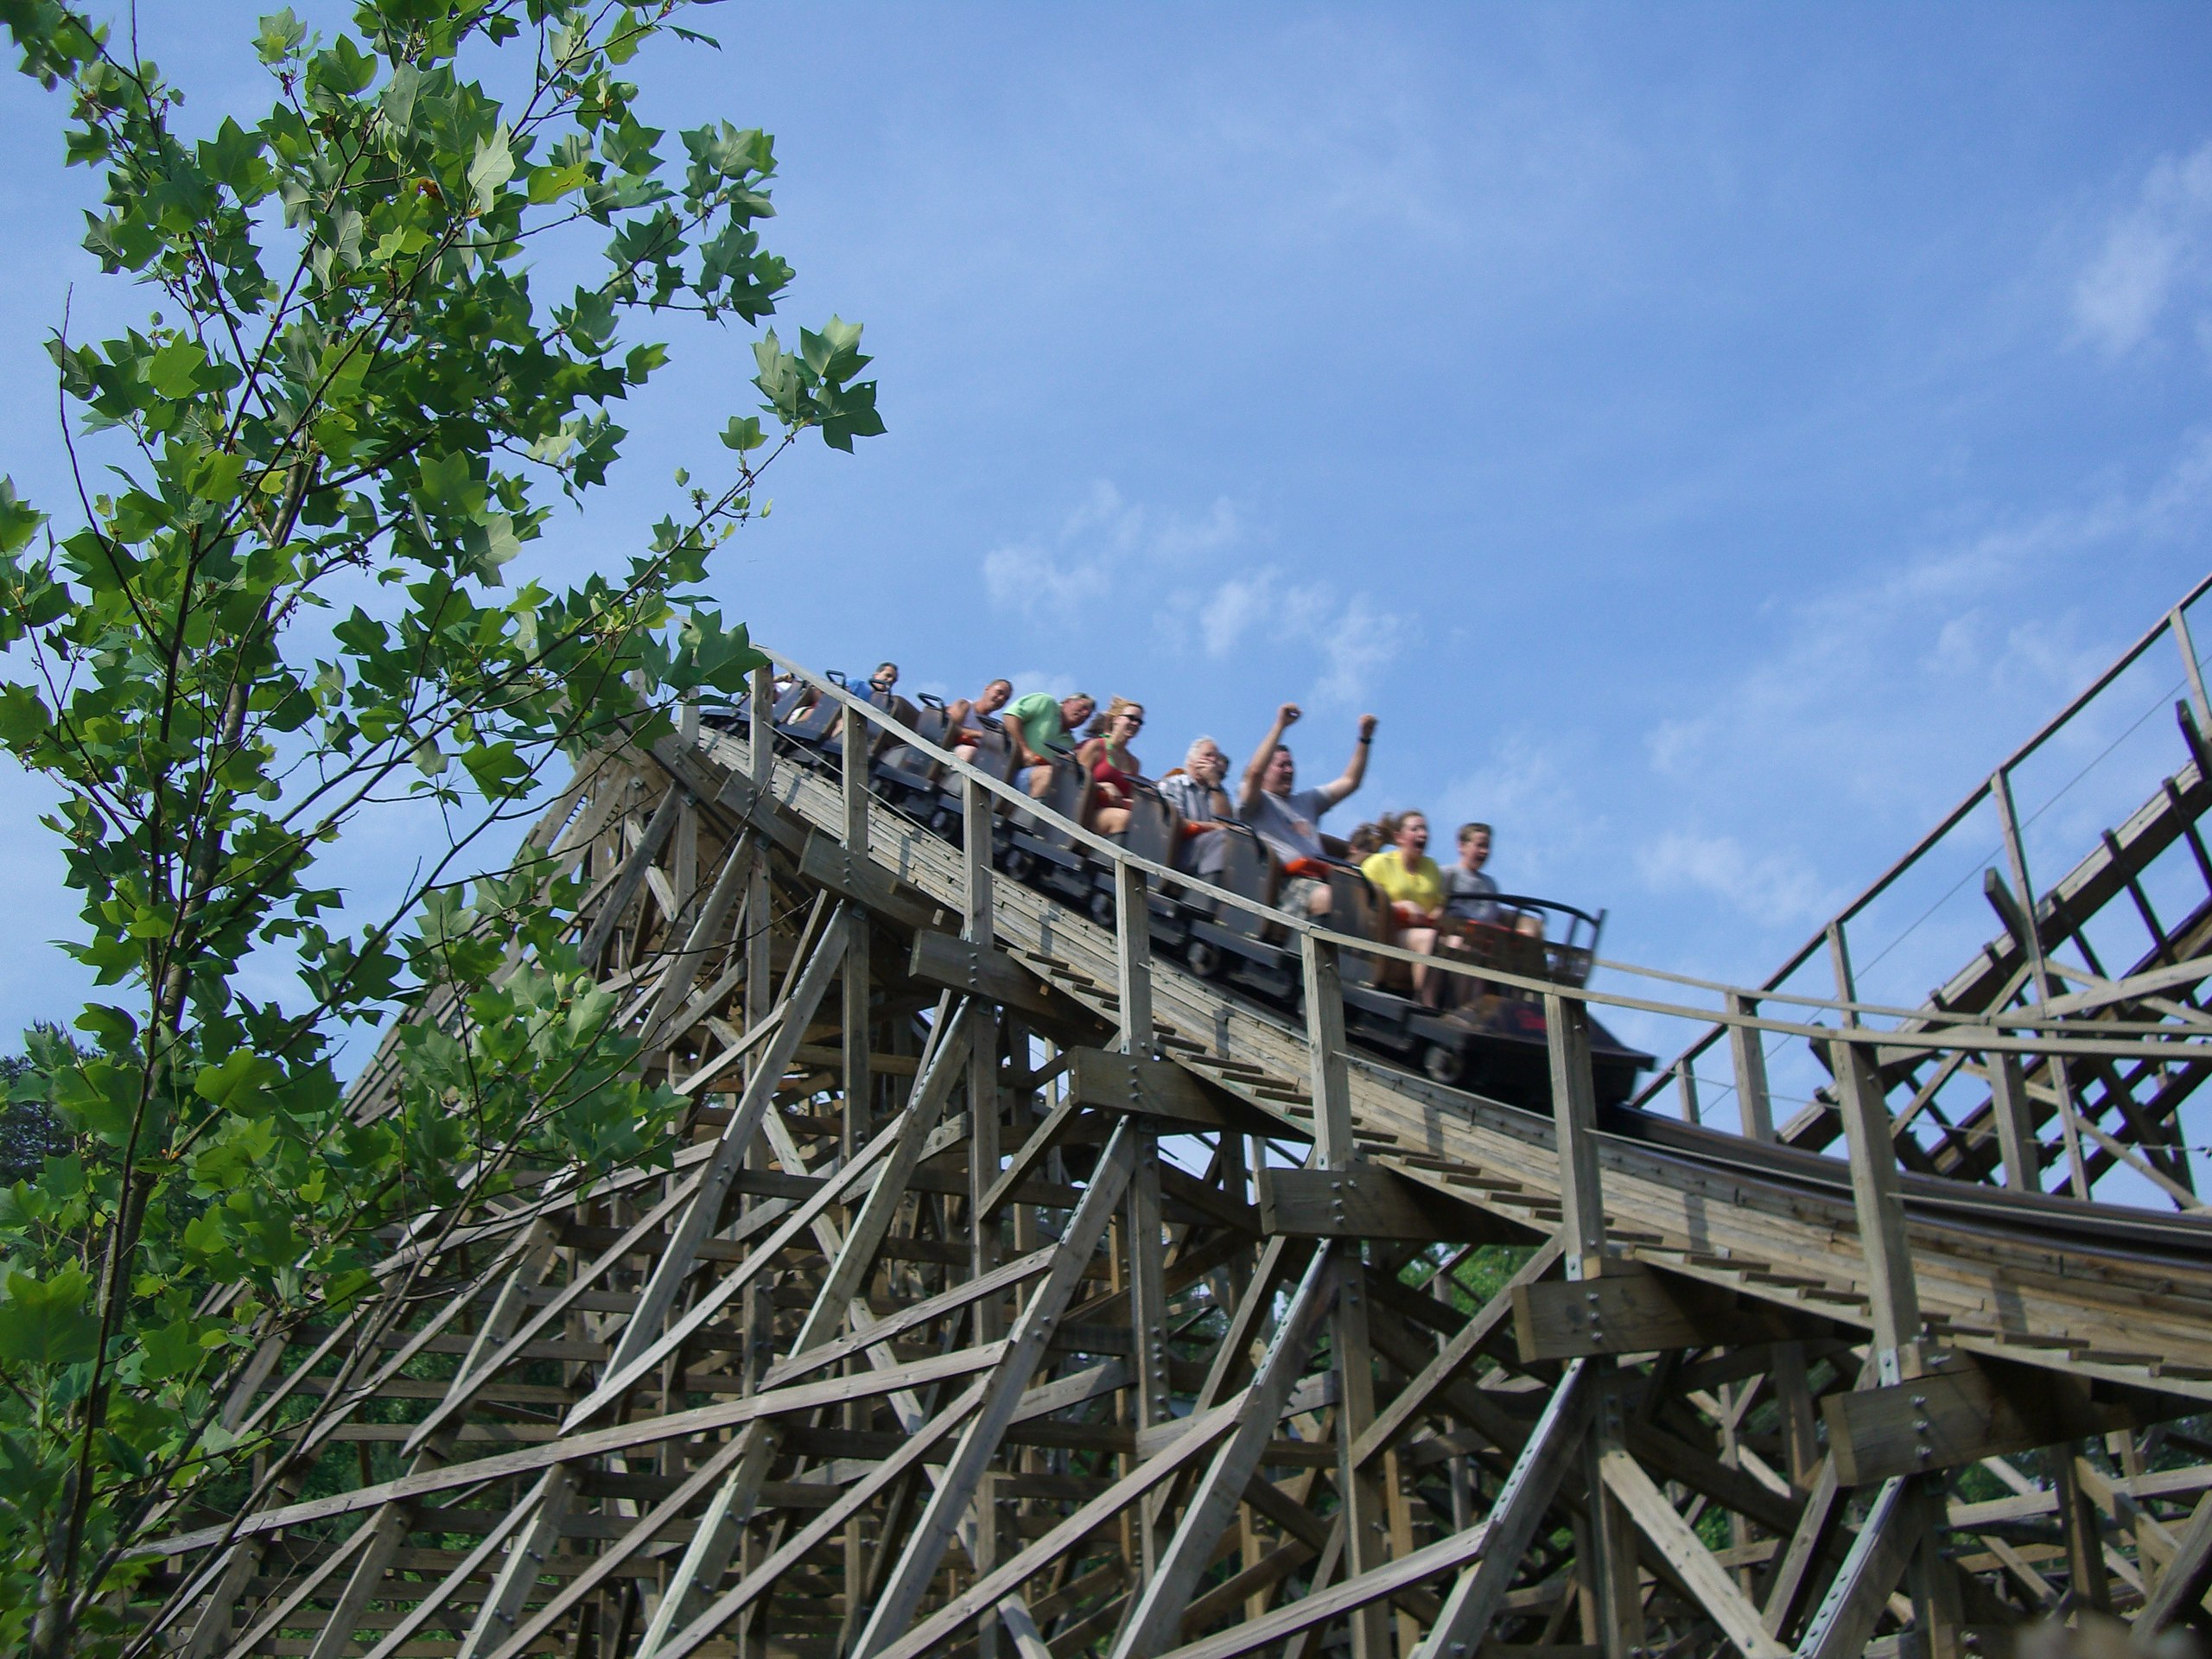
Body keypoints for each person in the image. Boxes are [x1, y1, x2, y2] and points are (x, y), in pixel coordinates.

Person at [1236, 702, 1377, 916]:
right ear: (1267, 771)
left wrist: (1364, 739)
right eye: (1282, 765)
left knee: (1369, 903)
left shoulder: (1307, 802)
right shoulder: (1256, 803)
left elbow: (1350, 781)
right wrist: (1280, 725)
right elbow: (1254, 772)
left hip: (1322, 880)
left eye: (1291, 765)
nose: (1289, 770)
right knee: (1332, 898)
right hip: (1286, 886)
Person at [1362, 810, 1446, 1000]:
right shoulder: (1379, 863)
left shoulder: (1431, 867)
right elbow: (1361, 898)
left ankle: (1460, 1015)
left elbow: (1440, 902)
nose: (1423, 834)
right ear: (1399, 837)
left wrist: (1438, 912)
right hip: (1387, 933)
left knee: (1458, 946)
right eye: (1415, 829)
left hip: (1421, 930)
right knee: (1427, 938)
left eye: (1425, 829)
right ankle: (1426, 1003)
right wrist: (1400, 906)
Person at [1159, 736, 1234, 876]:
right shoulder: (1173, 784)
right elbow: (1173, 822)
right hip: (1177, 851)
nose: (1213, 761)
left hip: (1212, 849)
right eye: (1208, 756)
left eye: (1216, 758)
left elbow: (1228, 825)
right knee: (1223, 838)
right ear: (1192, 760)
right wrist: (1211, 827)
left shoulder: (1218, 793)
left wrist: (1214, 784)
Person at [1003, 690, 1096, 798]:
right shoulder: (1046, 702)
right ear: (1068, 701)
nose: (1085, 714)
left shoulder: (1070, 743)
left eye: (1087, 716)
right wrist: (1025, 751)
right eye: (1083, 707)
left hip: (1035, 780)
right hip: (1006, 767)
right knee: (1048, 775)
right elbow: (1010, 715)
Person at [1077, 697, 1146, 835]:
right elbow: (1075, 780)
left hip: (1113, 813)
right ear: (1116, 719)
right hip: (1086, 813)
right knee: (1125, 818)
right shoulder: (1096, 746)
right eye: (1131, 718)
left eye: (1139, 721)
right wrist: (1103, 786)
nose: (1135, 723)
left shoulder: (1134, 763)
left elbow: (1129, 797)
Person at [1444, 822, 1502, 926]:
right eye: (1480, 845)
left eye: (1487, 847)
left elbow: (1493, 918)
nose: (1484, 851)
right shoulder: (1447, 874)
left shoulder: (1490, 884)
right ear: (1462, 846)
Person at [944, 677, 1012, 760]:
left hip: (978, 760)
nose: (1001, 698)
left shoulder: (993, 726)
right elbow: (949, 727)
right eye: (999, 692)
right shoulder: (964, 705)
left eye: (1006, 698)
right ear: (987, 689)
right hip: (950, 752)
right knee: (969, 751)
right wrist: (981, 734)